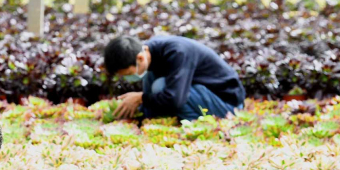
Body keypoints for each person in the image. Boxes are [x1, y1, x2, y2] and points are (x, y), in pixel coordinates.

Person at [104, 35, 246, 122]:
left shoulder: (178, 52)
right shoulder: (150, 52)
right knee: (153, 80)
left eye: (128, 73)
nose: (129, 78)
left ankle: (192, 124)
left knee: (160, 86)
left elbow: (175, 99)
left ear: (140, 58)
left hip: (228, 105)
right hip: (201, 95)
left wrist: (141, 98)